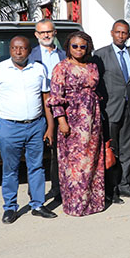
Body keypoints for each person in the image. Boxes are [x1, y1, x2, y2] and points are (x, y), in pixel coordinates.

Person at [0, 36, 57, 223]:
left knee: (37, 167)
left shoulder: (39, 69)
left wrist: (50, 126)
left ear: (28, 50)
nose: (18, 52)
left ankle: (38, 204)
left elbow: (46, 100)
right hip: (9, 127)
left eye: (22, 48)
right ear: (9, 49)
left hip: (35, 126)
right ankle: (10, 207)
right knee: (10, 169)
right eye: (14, 48)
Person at [47, 31, 106, 216]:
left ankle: (93, 203)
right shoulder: (61, 68)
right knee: (74, 165)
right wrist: (62, 121)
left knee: (92, 161)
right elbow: (55, 98)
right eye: (75, 46)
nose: (79, 49)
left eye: (83, 46)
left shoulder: (92, 66)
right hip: (72, 120)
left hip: (92, 121)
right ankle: (76, 205)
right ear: (68, 47)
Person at [94, 20, 130, 202]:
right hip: (111, 110)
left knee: (128, 150)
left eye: (125, 33)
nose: (121, 36)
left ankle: (124, 186)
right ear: (112, 33)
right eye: (118, 32)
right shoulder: (100, 55)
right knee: (110, 152)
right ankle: (110, 191)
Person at [29, 18, 66, 201]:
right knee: (36, 153)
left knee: (58, 152)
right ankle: (34, 193)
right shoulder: (30, 56)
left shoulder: (64, 55)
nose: (46, 35)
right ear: (37, 35)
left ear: (55, 33)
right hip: (38, 111)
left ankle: (57, 189)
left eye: (49, 32)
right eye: (42, 32)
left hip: (61, 111)